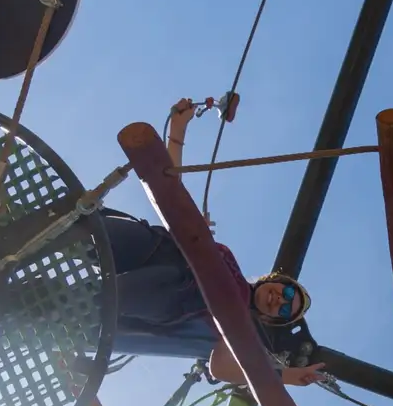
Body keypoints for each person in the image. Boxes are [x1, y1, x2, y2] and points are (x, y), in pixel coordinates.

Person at [101, 96, 324, 387]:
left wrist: (283, 377)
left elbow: (220, 369)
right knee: (86, 231)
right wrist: (177, 132)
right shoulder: (226, 259)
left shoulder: (236, 322)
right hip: (156, 247)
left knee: (102, 297)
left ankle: (62, 302)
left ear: (271, 320)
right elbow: (171, 193)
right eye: (285, 292)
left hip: (168, 293)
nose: (279, 300)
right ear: (274, 280)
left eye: (283, 310)